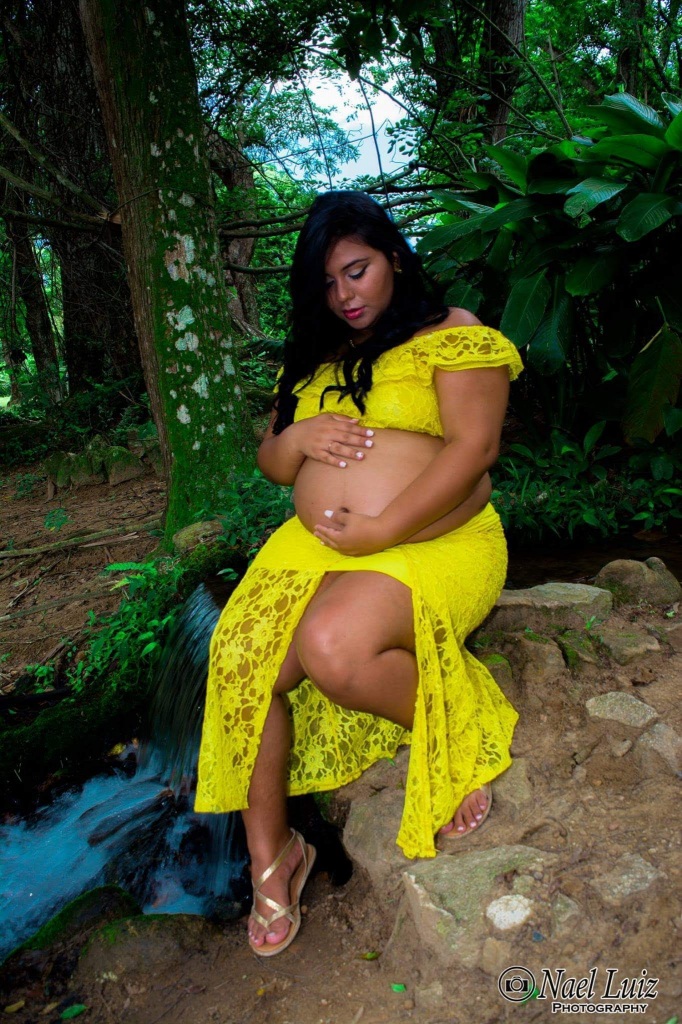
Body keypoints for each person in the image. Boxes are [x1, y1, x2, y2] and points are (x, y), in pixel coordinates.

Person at [195, 190, 523, 957]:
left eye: (357, 271)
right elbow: (274, 461)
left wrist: (381, 527)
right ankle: (275, 857)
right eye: (328, 281)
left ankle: (455, 728)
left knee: (333, 648)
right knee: (240, 659)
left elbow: (475, 451)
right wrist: (299, 436)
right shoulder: (315, 354)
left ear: (394, 258)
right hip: (317, 546)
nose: (344, 294)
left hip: (434, 539)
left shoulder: (452, 333)